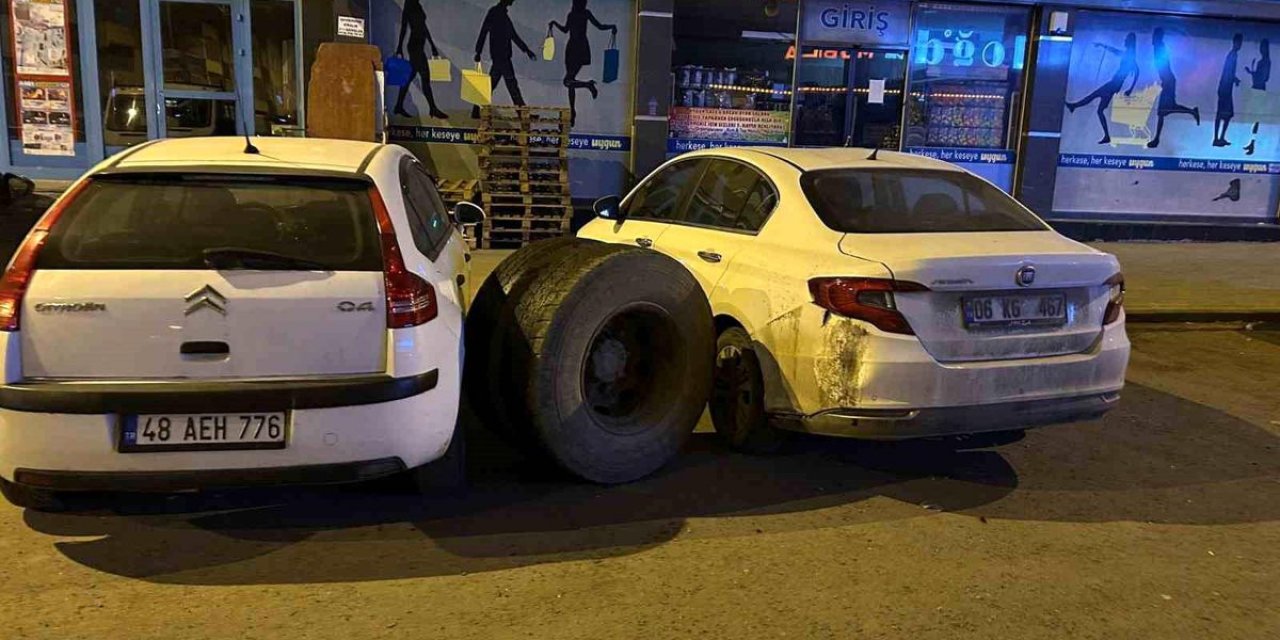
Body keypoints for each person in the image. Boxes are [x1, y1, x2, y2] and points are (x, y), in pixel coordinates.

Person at [550, 0, 616, 127]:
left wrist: (611, 26)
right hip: (576, 47)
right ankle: (573, 111)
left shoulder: (579, 14)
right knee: (570, 82)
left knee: (568, 81)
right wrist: (555, 23)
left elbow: (566, 30)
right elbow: (599, 26)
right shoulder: (580, 14)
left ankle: (587, 85)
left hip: (576, 48)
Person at [1066, 33, 1140, 145]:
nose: (1124, 40)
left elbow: (1136, 71)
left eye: (1126, 39)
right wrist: (1102, 45)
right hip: (1114, 84)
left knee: (1094, 95)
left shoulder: (1129, 56)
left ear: (1129, 41)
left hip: (1114, 84)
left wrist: (1130, 89)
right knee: (1100, 110)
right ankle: (1106, 136)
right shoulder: (1128, 55)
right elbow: (1115, 51)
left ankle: (1074, 106)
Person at [473, 0, 537, 120]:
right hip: (501, 57)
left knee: (493, 85)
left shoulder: (500, 14)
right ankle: (522, 113)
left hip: (501, 56)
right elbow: (484, 31)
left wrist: (527, 50)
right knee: (512, 86)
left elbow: (512, 35)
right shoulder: (496, 13)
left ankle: (476, 110)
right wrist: (478, 52)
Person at [393, 0, 448, 120]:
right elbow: (404, 27)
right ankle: (432, 108)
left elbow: (424, 27)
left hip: (419, 46)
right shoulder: (409, 5)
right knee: (425, 76)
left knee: (410, 77)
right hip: (415, 46)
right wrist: (399, 47)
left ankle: (398, 105)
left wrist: (432, 45)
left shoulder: (417, 5)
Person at [1148, 28, 1200, 149]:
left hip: (1168, 81)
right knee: (1169, 108)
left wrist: (1165, 81)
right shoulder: (1158, 47)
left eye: (1155, 36)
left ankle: (1156, 139)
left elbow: (1164, 66)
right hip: (1167, 81)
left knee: (1163, 111)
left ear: (1157, 37)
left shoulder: (1160, 47)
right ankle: (1192, 111)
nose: (1152, 38)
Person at [1214, 34, 1244, 147]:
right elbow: (1228, 72)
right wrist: (1234, 80)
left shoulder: (1233, 55)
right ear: (1235, 42)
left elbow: (1229, 72)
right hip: (1225, 89)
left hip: (1226, 88)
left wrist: (1234, 79)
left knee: (1226, 115)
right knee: (1223, 114)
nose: (1240, 45)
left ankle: (1220, 138)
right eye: (1239, 42)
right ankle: (1217, 138)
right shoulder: (1232, 55)